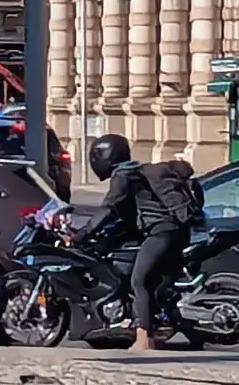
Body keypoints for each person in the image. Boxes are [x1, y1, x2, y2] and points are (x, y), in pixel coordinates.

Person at [80, 133, 204, 353]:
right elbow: (128, 215)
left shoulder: (123, 176)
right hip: (176, 231)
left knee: (140, 282)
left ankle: (143, 339)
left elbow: (109, 208)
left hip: (161, 233)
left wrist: (83, 232)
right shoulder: (136, 172)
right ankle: (188, 332)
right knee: (157, 285)